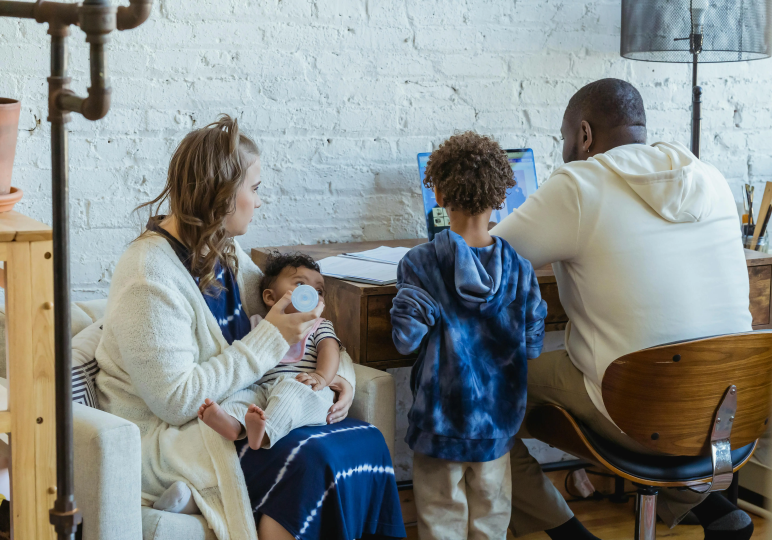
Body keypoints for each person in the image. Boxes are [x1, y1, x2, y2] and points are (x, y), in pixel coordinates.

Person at [94, 115, 405, 540]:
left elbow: (307, 328)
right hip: (173, 438)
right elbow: (176, 400)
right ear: (221, 195)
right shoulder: (149, 274)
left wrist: (337, 379)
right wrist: (270, 338)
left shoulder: (223, 250)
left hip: (243, 410)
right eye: (254, 189)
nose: (259, 202)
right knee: (315, 458)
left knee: (366, 441)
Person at [492, 78, 755, 540]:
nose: (565, 149)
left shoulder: (578, 183)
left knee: (484, 390)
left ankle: (573, 535)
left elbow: (486, 260)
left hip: (637, 412)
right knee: (668, 376)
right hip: (729, 412)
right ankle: (710, 504)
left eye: (565, 137)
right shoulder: (710, 177)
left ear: (585, 135)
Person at [391, 132, 547, 539]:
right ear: (501, 199)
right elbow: (532, 346)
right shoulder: (520, 268)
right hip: (496, 425)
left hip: (441, 424)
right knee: (491, 525)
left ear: (439, 194)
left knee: (441, 523)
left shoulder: (420, 263)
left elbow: (405, 341)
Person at [197, 251, 342, 451]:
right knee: (243, 396)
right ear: (270, 298)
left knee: (289, 393)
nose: (311, 293)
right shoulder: (258, 324)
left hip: (306, 388)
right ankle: (232, 424)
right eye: (300, 284)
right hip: (264, 388)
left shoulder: (318, 325)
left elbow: (330, 350)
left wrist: (321, 377)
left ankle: (266, 434)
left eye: (319, 291)